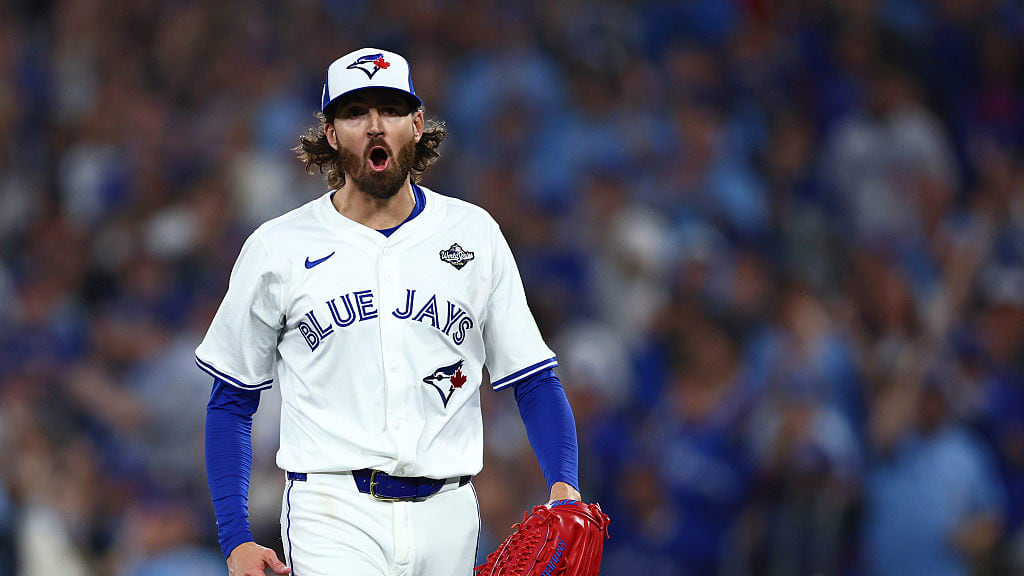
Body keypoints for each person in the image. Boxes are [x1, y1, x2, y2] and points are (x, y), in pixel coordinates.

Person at [196, 48, 581, 576]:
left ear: (417, 125)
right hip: (332, 510)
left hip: (449, 511)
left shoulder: (473, 234)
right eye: (355, 113)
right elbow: (231, 401)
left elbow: (533, 378)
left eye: (391, 110)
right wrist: (235, 537)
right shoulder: (278, 247)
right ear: (331, 134)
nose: (375, 125)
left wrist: (564, 483)